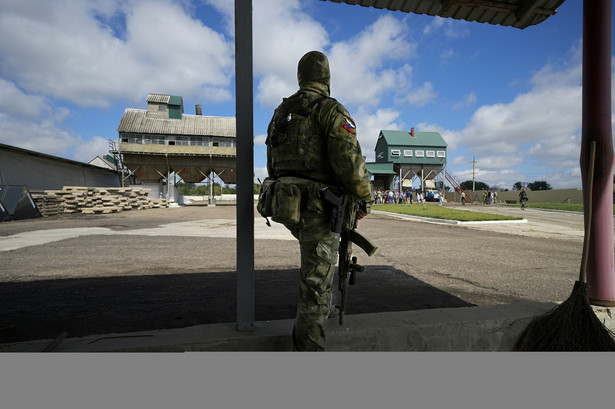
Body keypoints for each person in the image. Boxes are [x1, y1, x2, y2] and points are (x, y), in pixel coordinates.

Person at [264, 51, 373, 351]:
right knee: (316, 289)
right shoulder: (330, 110)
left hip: (287, 205)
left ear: (301, 76)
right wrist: (365, 199)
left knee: (313, 279)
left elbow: (272, 164)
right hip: (318, 210)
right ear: (326, 77)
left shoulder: (280, 113)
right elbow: (350, 162)